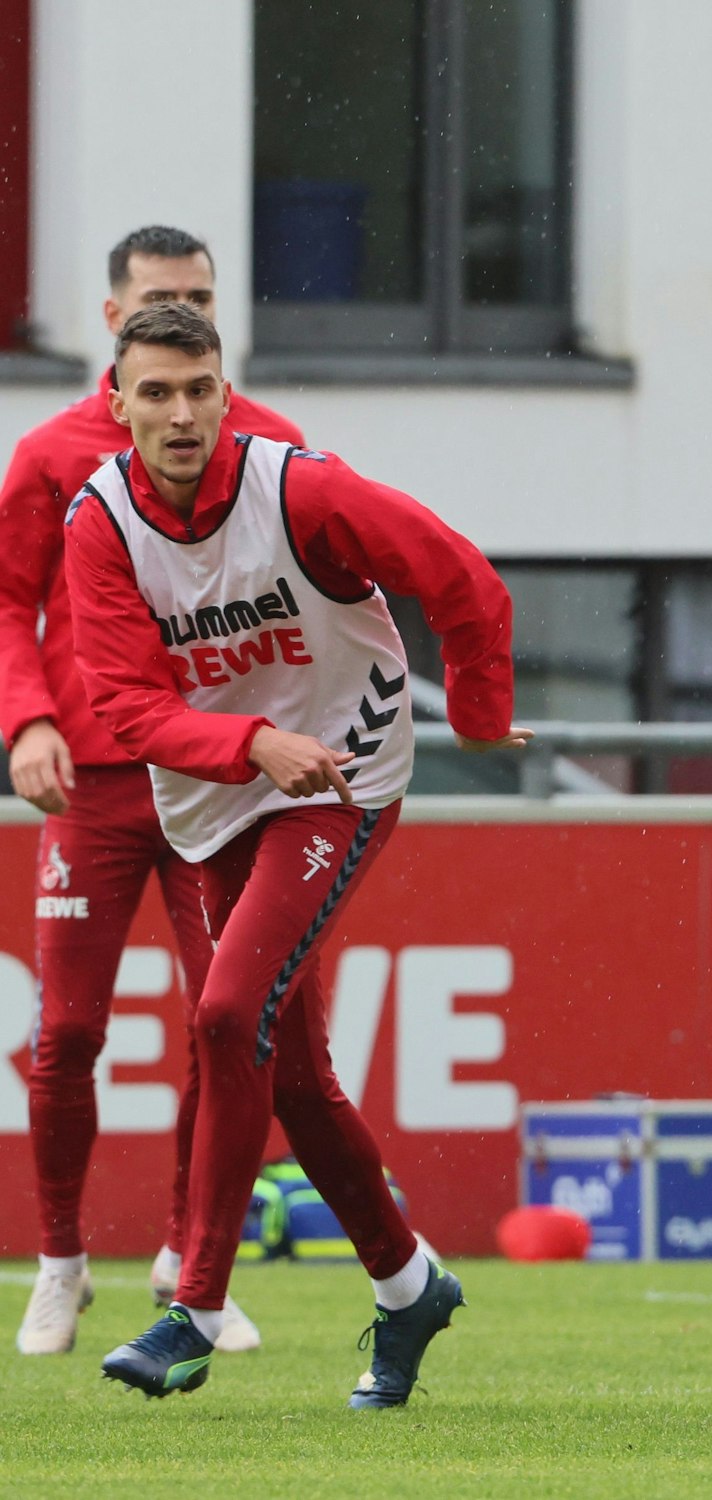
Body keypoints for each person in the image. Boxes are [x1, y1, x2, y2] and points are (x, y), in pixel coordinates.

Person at [64, 302, 530, 1404]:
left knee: (230, 1014)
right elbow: (125, 706)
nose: (181, 413)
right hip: (222, 791)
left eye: (200, 389)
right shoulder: (100, 522)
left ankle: (194, 1304)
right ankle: (408, 1282)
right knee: (301, 1077)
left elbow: (464, 579)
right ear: (116, 404)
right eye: (157, 393)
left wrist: (473, 714)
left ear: (226, 393)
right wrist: (249, 744)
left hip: (344, 774)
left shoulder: (300, 488)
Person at [3, 226, 303, 1357]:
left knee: (226, 1024)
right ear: (111, 322)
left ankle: (190, 1261)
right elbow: (6, 602)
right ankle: (61, 1263)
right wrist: (27, 717)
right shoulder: (51, 453)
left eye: (200, 300)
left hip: (221, 781)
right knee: (66, 1036)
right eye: (157, 302)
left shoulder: (271, 446)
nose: (179, 311)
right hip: (94, 780)